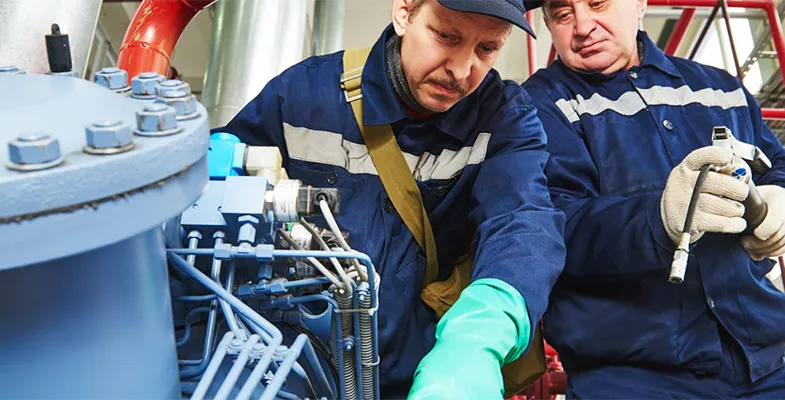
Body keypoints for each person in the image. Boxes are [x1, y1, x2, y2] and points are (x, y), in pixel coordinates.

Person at [214, 0, 566, 397]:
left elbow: (523, 221)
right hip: (291, 370)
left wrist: (479, 337)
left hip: (419, 377)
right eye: (446, 36)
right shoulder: (302, 96)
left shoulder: (503, 117)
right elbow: (217, 196)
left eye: (486, 49)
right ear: (404, 12)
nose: (462, 70)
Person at [522, 0, 785, 398]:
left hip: (766, 369)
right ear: (547, 24)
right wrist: (657, 219)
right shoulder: (537, 108)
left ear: (640, 4)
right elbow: (550, 228)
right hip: (630, 381)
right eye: (562, 14)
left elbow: (780, 165)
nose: (582, 26)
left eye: (597, 3)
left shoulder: (721, 90)